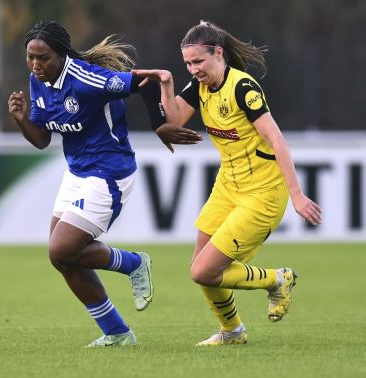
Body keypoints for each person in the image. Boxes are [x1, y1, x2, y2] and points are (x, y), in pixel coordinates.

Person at [8, 20, 201, 348]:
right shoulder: (37, 81)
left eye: (43, 58)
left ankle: (134, 263)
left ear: (61, 55)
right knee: (61, 258)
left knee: (61, 248)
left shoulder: (85, 79)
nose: (36, 65)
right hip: (77, 173)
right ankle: (116, 332)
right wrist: (22, 120)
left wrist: (159, 126)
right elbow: (42, 140)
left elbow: (145, 83)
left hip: (110, 173)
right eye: (31, 57)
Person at [133, 20, 322, 346]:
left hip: (262, 193)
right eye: (187, 64)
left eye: (198, 62)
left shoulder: (242, 88)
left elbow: (277, 140)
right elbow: (174, 119)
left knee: (202, 271)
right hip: (227, 186)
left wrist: (297, 194)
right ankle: (232, 332)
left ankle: (278, 279)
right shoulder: (199, 86)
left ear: (218, 53)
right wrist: (166, 84)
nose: (193, 69)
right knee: (201, 267)